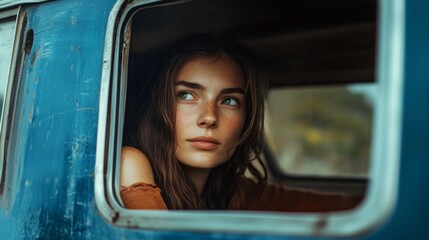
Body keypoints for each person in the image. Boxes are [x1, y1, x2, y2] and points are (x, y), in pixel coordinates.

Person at [120, 34, 361, 211]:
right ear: (156, 106)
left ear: (247, 118)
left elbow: (349, 209)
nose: (210, 117)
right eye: (186, 95)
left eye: (229, 101)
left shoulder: (231, 191)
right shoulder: (130, 163)